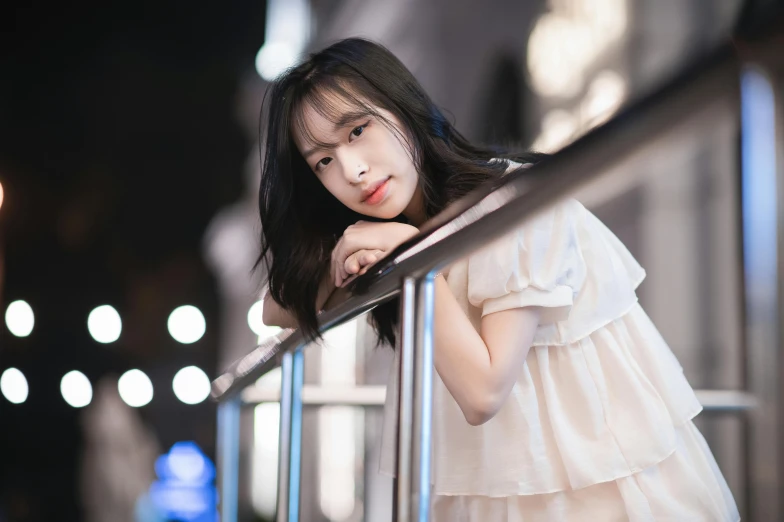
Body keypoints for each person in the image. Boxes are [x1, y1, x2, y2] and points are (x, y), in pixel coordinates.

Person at [257, 38, 739, 521]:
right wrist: (364, 250)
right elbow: (273, 308)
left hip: (602, 493)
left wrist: (407, 254)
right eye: (323, 161)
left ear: (400, 107)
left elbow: (483, 391)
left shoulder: (509, 204)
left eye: (358, 130)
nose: (353, 170)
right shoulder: (390, 234)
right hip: (502, 495)